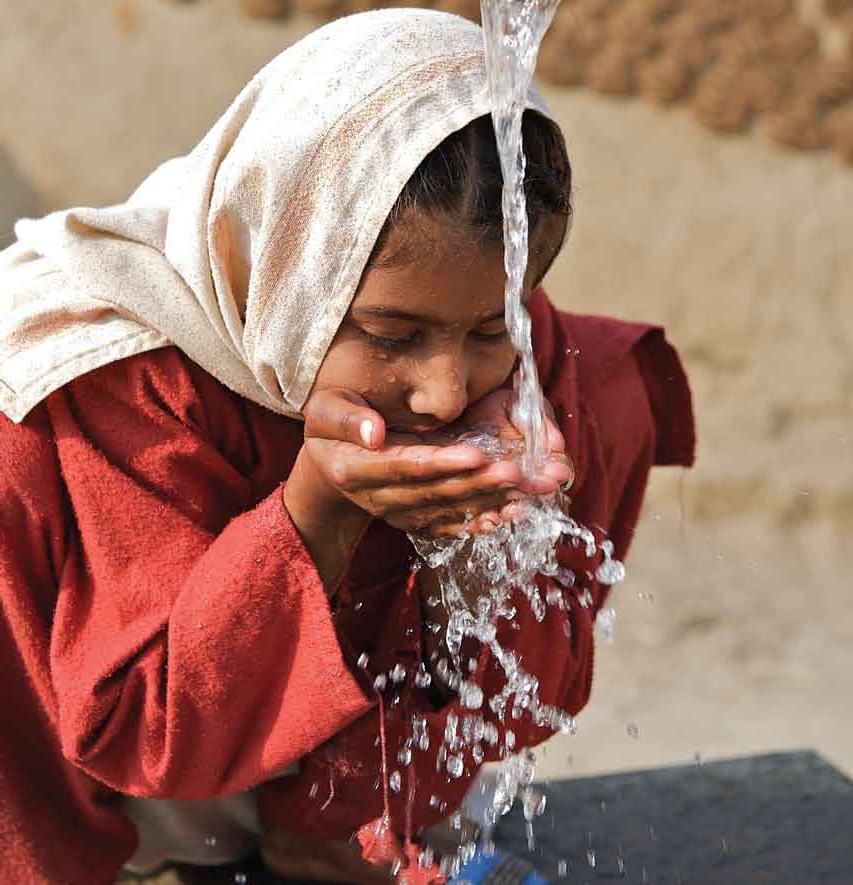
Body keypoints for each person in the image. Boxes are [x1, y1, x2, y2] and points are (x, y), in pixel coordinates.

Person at [0, 9, 694, 884]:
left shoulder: (539, 388)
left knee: (603, 386)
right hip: (127, 787)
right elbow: (146, 730)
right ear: (287, 274)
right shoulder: (110, 377)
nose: (445, 393)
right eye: (391, 334)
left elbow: (520, 705)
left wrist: (469, 563)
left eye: (489, 328)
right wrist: (316, 514)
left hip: (309, 779)